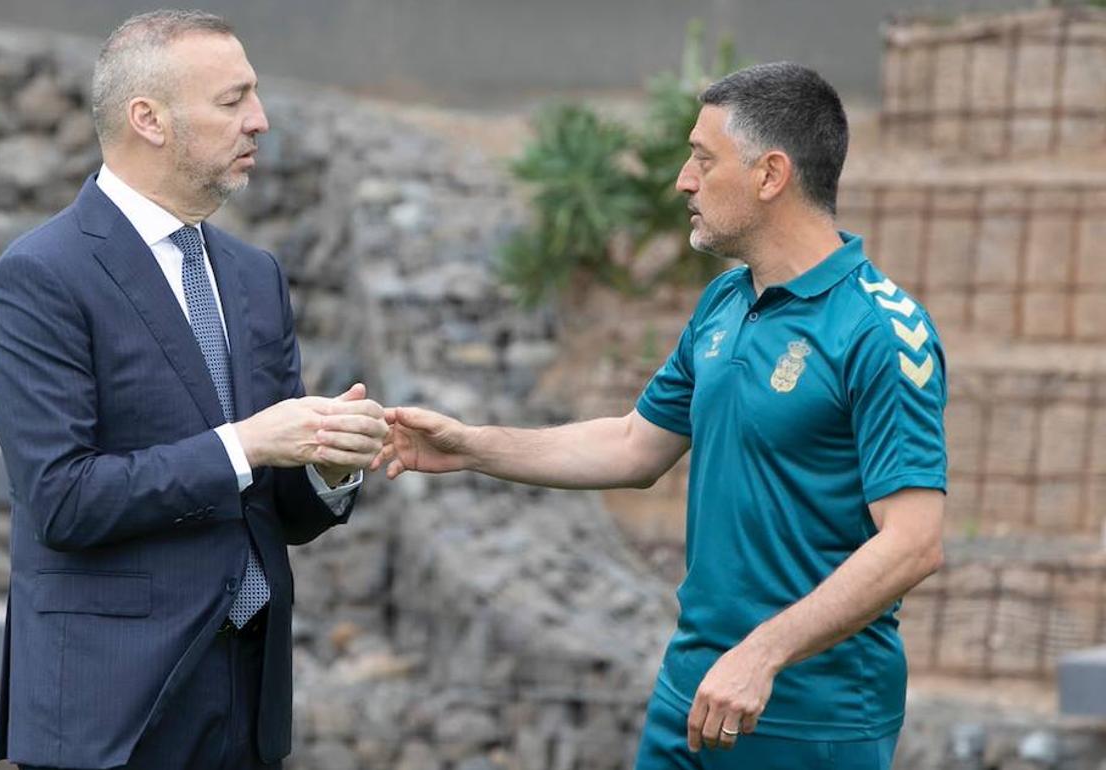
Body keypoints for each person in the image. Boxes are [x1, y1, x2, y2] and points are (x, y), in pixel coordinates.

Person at [378, 62, 946, 770]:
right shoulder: (724, 303)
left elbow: (915, 542)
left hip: (809, 715)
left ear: (771, 175)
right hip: (691, 694)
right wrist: (469, 448)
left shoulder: (881, 330)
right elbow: (631, 445)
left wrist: (762, 654)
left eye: (703, 160)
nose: (683, 179)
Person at [0, 10, 388, 770]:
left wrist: (331, 462)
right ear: (149, 119)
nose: (259, 121)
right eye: (232, 101)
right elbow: (64, 500)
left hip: (248, 699)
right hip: (111, 714)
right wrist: (249, 442)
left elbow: (272, 508)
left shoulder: (254, 276)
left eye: (254, 97)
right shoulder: (41, 276)